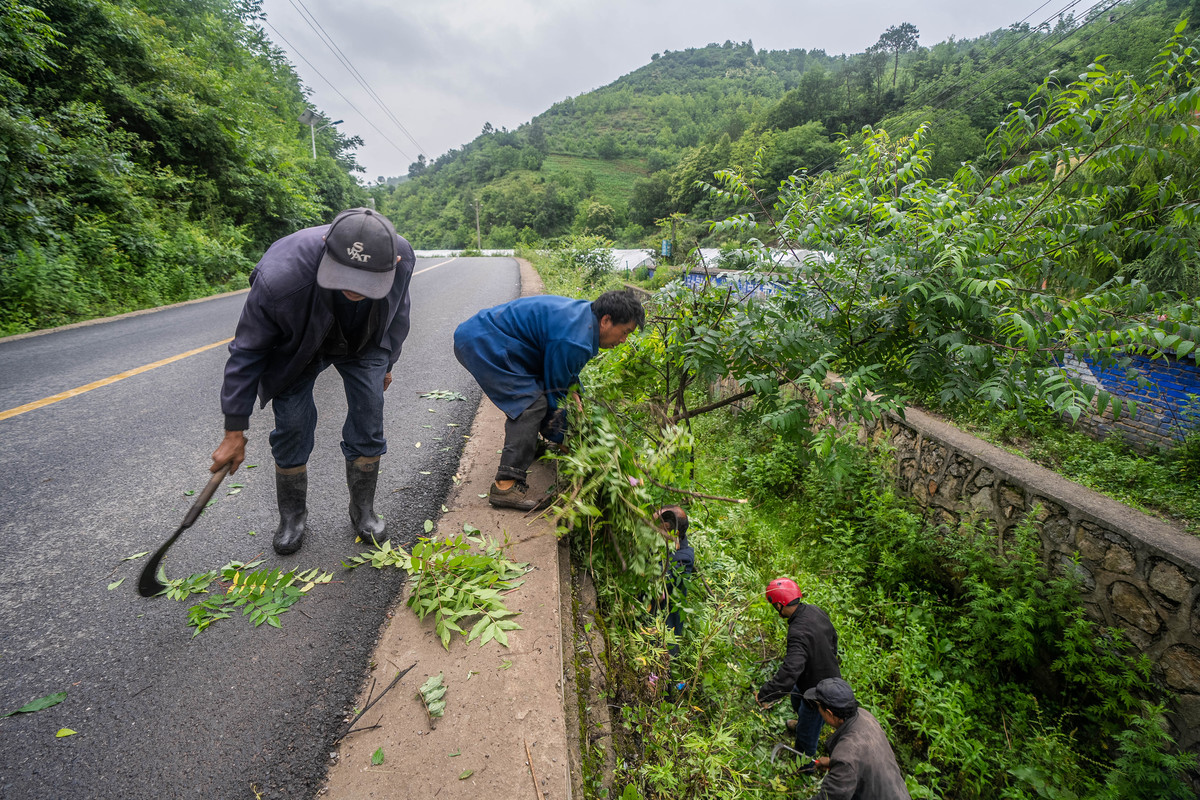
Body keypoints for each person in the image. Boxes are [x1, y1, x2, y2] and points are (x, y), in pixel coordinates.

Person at [212, 207, 416, 556]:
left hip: (364, 341)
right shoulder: (279, 279)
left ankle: (363, 511)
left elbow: (399, 311)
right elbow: (247, 351)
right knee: (291, 423)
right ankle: (292, 517)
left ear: (392, 262)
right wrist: (234, 430)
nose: (355, 288)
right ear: (325, 247)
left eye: (366, 281)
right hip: (300, 345)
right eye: (345, 276)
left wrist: (388, 360)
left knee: (369, 413)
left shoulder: (402, 257)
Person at [453, 290, 645, 510]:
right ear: (606, 320)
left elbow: (566, 377)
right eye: (625, 332)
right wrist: (565, 439)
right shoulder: (576, 340)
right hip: (484, 343)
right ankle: (506, 485)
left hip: (493, 336)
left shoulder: (584, 318)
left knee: (536, 396)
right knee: (530, 404)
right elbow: (555, 392)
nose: (623, 340)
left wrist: (577, 399)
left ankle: (528, 446)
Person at [755, 578, 841, 760]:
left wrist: (766, 694)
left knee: (805, 739)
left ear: (779, 605)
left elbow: (790, 670)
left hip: (819, 692)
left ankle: (805, 768)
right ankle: (803, 722)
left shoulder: (797, 632)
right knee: (796, 698)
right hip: (816, 678)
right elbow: (834, 639)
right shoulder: (814, 611)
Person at [803, 677, 911, 800]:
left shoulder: (846, 757)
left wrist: (841, 765)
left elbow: (829, 798)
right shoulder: (864, 715)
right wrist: (834, 762)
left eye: (819, 706)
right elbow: (862, 756)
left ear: (829, 714)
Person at [649, 505, 695, 659]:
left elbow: (657, 588)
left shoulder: (683, 558)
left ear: (672, 532)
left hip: (663, 637)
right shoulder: (662, 544)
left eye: (658, 527)